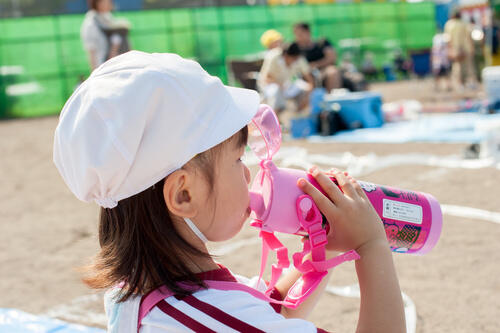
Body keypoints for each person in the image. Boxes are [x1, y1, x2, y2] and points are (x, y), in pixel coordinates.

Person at [53, 51, 405, 332]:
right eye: (237, 160)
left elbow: (267, 313)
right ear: (183, 195)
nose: (248, 172)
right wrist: (371, 245)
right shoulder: (211, 316)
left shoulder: (136, 286)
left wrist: (320, 252)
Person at [258, 42, 314, 115]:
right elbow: (266, 79)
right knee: (276, 90)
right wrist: (280, 85)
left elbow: (310, 81)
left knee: (305, 90)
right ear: (286, 55)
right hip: (269, 87)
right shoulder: (273, 56)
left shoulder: (299, 59)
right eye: (293, 59)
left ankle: (298, 118)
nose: (294, 61)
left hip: (287, 86)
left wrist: (307, 96)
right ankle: (274, 117)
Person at [80, 0, 131, 70]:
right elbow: (91, 52)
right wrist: (95, 73)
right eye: (105, 2)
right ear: (97, 3)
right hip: (103, 68)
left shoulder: (108, 17)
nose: (109, 3)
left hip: (116, 65)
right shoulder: (91, 24)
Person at [292, 22, 342, 92]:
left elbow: (331, 58)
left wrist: (316, 64)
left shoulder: (322, 43)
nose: (298, 36)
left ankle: (332, 99)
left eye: (300, 34)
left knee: (332, 71)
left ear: (308, 32)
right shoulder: (295, 49)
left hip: (323, 71)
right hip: (305, 74)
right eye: (296, 34)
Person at [444, 10, 477, 91]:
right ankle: (471, 83)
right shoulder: (464, 24)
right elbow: (469, 37)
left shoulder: (449, 24)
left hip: (456, 49)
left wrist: (449, 50)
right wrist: (472, 48)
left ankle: (459, 85)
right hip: (467, 48)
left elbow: (448, 39)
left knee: (457, 67)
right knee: (469, 67)